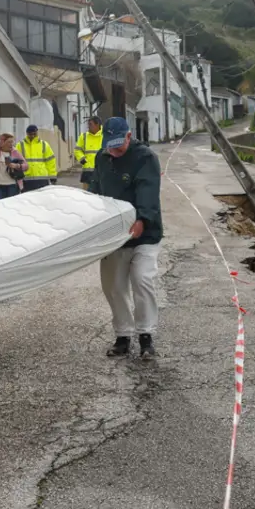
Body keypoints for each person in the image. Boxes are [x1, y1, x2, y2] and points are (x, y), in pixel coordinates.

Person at [90, 117, 163, 360]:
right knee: (114, 286)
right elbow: (96, 191)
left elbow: (148, 190)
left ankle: (146, 336)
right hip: (115, 236)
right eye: (110, 146)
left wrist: (142, 219)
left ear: (129, 137)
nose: (115, 150)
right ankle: (123, 336)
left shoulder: (145, 158)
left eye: (119, 146)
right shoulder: (102, 158)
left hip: (144, 232)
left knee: (142, 279)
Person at [17, 124, 57, 192]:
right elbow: (16, 161)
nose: (32, 136)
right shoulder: (20, 145)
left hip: (42, 179)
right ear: (27, 133)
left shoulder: (44, 145)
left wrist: (52, 176)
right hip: (26, 179)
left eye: (34, 134)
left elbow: (50, 162)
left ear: (37, 133)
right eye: (30, 134)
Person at [0, 133, 26, 200]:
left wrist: (17, 165)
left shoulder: (15, 152)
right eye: (9, 142)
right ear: (3, 143)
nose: (11, 144)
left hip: (12, 185)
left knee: (11, 206)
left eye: (12, 142)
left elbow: (26, 166)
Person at [74, 116, 104, 190]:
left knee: (102, 195)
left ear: (97, 125)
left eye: (90, 124)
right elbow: (77, 150)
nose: (88, 127)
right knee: (86, 195)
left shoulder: (105, 136)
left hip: (102, 171)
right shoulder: (83, 136)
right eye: (88, 124)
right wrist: (81, 159)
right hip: (87, 171)